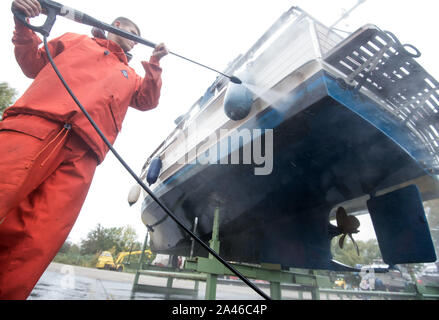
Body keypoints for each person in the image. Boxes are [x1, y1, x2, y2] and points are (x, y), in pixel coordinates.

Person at [0, 0, 168, 299]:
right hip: (34, 128)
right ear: (113, 26)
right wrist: (22, 21)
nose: (131, 35)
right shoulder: (74, 40)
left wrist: (154, 64)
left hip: (83, 157)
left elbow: (147, 101)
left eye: (135, 34)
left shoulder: (130, 75)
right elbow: (30, 63)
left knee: (37, 240)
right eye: (128, 29)